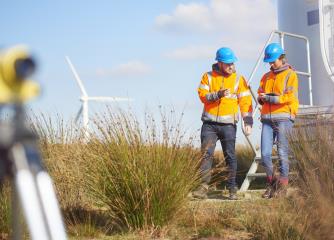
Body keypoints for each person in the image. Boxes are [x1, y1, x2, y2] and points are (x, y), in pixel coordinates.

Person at [193, 47, 253, 200]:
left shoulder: (239, 79)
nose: (231, 66)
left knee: (230, 156)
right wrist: (217, 95)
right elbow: (203, 96)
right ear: (219, 63)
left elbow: (245, 101)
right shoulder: (208, 77)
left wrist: (248, 120)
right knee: (206, 155)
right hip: (209, 124)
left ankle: (232, 188)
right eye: (227, 64)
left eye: (232, 63)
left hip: (228, 126)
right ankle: (203, 187)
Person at [257, 43, 299, 198]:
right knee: (265, 154)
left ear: (282, 58)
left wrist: (269, 98)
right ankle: (272, 185)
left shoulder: (291, 75)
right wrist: (261, 99)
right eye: (269, 61)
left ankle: (282, 187)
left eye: (273, 60)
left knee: (282, 152)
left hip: (284, 118)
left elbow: (289, 97)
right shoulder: (265, 77)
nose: (271, 64)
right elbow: (260, 92)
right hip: (267, 120)